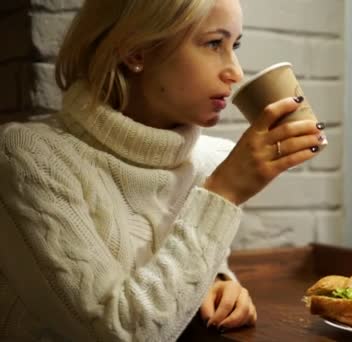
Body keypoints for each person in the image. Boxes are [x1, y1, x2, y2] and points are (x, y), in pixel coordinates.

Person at [0, 0, 326, 340]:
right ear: (137, 51)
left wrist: (217, 285)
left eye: (236, 45)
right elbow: (121, 332)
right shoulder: (28, 158)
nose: (236, 72)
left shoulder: (210, 161)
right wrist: (224, 191)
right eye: (214, 43)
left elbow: (173, 270)